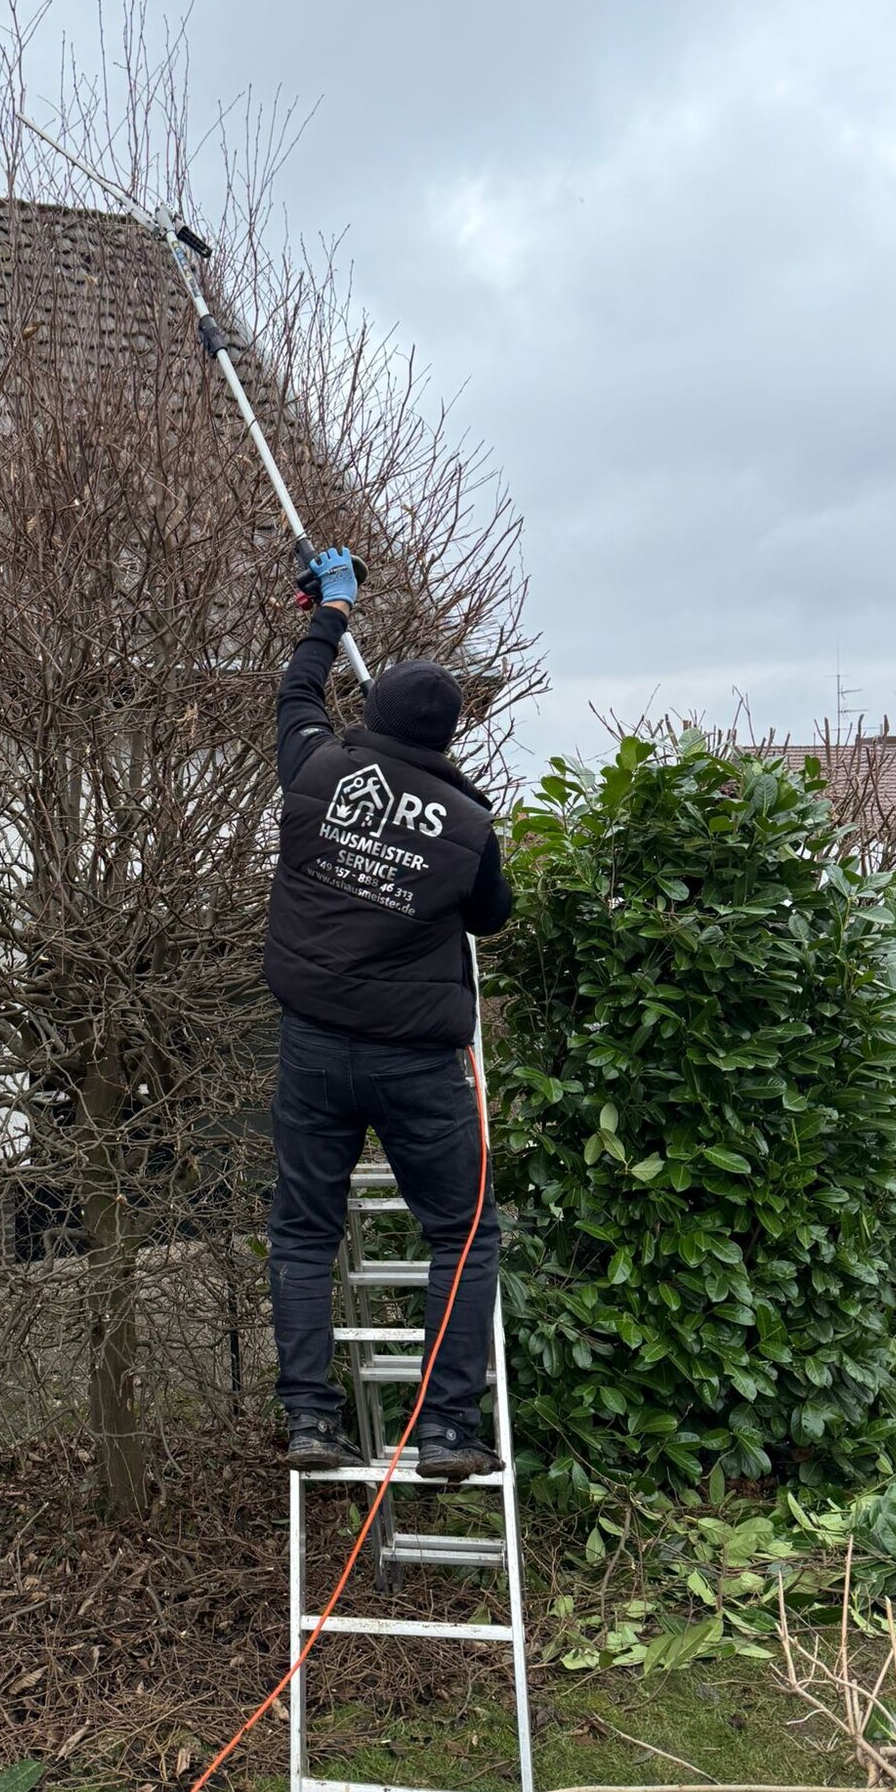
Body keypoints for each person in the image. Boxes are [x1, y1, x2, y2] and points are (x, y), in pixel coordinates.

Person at [263, 546, 513, 1481]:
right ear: (449, 735)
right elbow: (492, 915)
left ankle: (311, 1425)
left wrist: (329, 613)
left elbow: (294, 698)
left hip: (315, 1051)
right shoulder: (468, 827)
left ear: (365, 713)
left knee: (302, 1231)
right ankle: (446, 1431)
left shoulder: (315, 771)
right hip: (416, 1067)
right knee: (462, 1232)